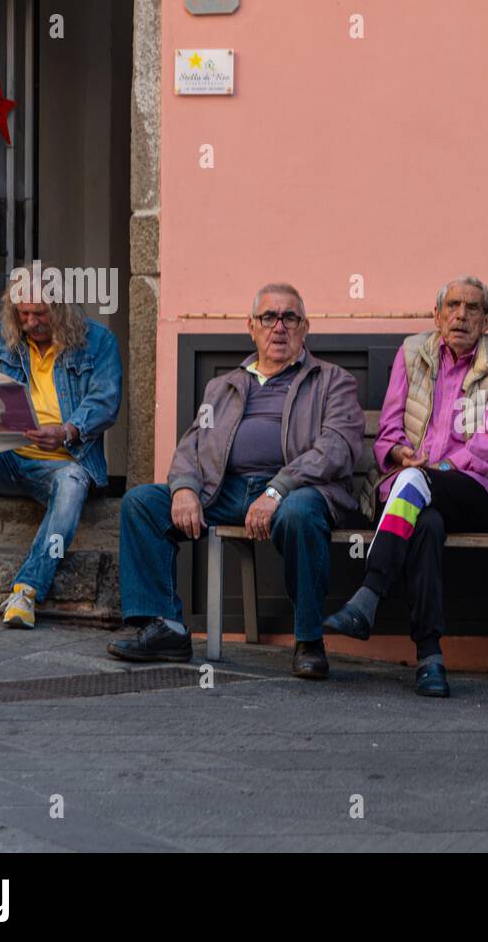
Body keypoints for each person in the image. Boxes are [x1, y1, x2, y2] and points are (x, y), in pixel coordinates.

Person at [108, 283, 363, 678]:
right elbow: (192, 446)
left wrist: (278, 488)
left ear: (304, 327)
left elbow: (337, 447)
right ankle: (163, 627)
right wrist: (185, 488)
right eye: (268, 317)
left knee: (299, 515)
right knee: (142, 503)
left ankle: (309, 641)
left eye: (289, 318)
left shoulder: (332, 381)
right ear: (252, 326)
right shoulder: (224, 386)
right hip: (223, 490)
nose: (279, 327)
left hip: (298, 490)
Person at [321, 275, 488, 698]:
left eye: (472, 308)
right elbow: (389, 428)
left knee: (418, 484)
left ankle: (370, 592)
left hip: (471, 487)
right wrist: (398, 456)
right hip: (407, 489)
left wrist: (437, 470)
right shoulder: (412, 353)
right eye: (452, 306)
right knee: (426, 524)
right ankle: (430, 657)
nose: (460, 315)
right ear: (436, 314)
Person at [0, 269, 122, 628]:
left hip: (64, 463)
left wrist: (65, 432)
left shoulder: (99, 341)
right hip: (6, 457)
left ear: (62, 308)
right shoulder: (0, 338)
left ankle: (27, 590)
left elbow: (106, 402)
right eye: (23, 313)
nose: (31, 322)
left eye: (40, 313)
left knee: (73, 484)